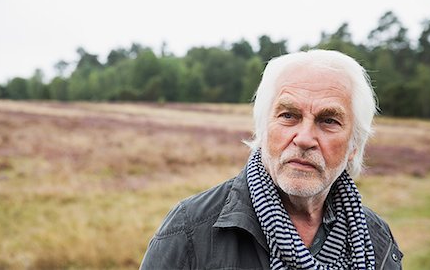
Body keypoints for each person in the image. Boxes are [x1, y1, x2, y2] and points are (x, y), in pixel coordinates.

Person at [140, 50, 403, 270]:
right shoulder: (191, 230)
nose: (304, 138)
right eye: (289, 115)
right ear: (263, 130)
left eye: (328, 120)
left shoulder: (375, 239)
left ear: (354, 145)